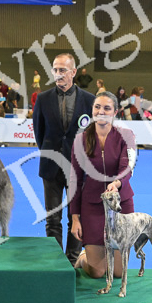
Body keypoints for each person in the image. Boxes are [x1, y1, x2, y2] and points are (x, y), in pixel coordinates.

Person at [33, 53, 96, 264]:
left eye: (63, 70)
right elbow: (39, 133)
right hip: (50, 166)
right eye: (55, 70)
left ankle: (72, 260)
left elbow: (92, 136)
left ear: (73, 72)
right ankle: (56, 261)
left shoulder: (89, 100)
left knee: (76, 217)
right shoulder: (42, 99)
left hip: (79, 168)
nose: (58, 74)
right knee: (52, 218)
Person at [69, 91, 136, 278]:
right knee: (97, 272)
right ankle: (83, 258)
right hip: (92, 206)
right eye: (97, 107)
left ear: (115, 112)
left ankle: (107, 255)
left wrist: (117, 183)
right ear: (92, 110)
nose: (101, 112)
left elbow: (127, 167)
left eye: (107, 108)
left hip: (121, 205)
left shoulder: (127, 135)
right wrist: (75, 218)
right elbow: (75, 179)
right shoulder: (80, 139)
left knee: (118, 273)